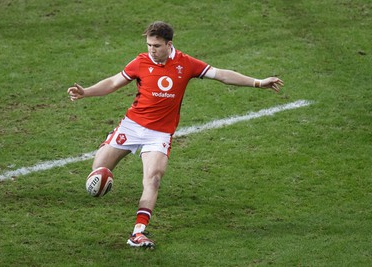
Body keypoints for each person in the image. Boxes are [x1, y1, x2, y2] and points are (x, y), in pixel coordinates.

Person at [67, 21, 284, 249]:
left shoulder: (186, 63)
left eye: (157, 45)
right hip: (131, 127)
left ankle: (138, 233)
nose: (152, 49)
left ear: (169, 44)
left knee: (154, 178)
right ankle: (107, 176)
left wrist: (258, 83)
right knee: (98, 171)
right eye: (149, 45)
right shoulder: (140, 62)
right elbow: (113, 82)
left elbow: (221, 75)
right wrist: (86, 92)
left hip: (159, 134)